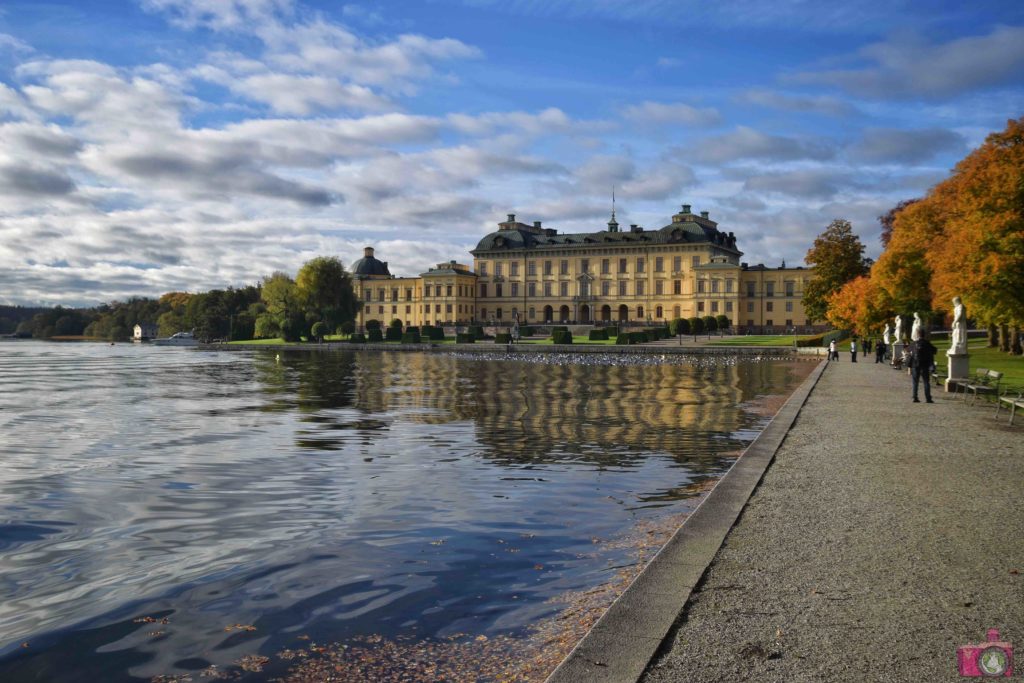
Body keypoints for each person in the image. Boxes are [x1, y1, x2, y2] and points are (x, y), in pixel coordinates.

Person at [909, 334, 938, 403]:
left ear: (917, 335)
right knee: (926, 382)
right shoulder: (927, 343)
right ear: (924, 335)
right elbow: (935, 351)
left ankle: (915, 397)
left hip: (915, 365)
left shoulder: (914, 343)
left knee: (915, 382)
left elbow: (909, 350)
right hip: (924, 365)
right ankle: (928, 398)